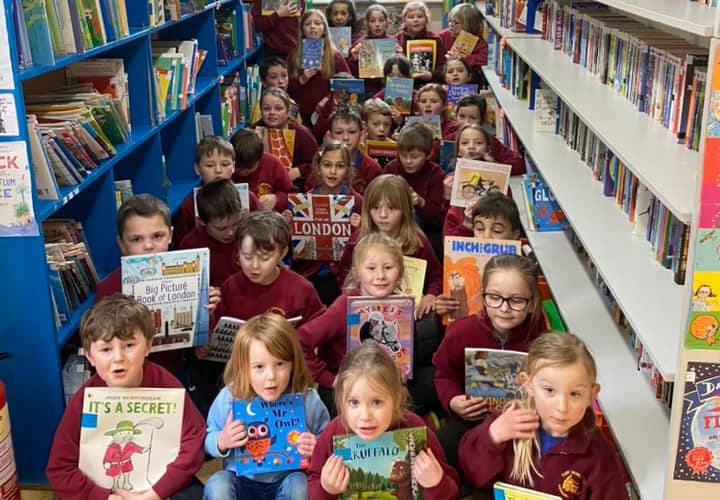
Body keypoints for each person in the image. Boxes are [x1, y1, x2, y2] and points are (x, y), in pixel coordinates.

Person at [46, 294, 205, 500]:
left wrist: (155, 494)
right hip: (105, 492)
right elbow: (59, 468)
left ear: (147, 346)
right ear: (89, 356)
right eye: (105, 349)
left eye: (129, 345)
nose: (118, 358)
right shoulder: (85, 400)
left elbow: (194, 440)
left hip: (159, 486)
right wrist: (104, 497)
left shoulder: (164, 383)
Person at [459, 332, 628, 498]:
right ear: (528, 384)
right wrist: (492, 437)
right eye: (549, 390)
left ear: (592, 394)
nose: (562, 407)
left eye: (575, 394)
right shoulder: (509, 421)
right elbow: (472, 476)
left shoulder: (600, 457)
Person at [433, 254, 548, 471]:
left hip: (521, 425)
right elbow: (444, 373)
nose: (504, 308)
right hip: (471, 422)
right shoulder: (462, 332)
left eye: (516, 300)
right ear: (482, 295)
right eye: (494, 297)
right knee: (441, 446)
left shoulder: (542, 340)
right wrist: (454, 401)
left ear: (532, 303)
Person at [307, 344, 460, 499]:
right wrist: (326, 488)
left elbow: (451, 487)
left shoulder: (414, 428)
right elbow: (314, 482)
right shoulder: (333, 433)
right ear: (341, 401)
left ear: (396, 398)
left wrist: (436, 483)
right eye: (354, 402)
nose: (365, 416)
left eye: (376, 402)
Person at [203, 314, 330, 499]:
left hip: (288, 479)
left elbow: (328, 441)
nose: (271, 376)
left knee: (300, 485)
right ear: (243, 367)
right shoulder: (229, 398)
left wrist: (316, 446)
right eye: (259, 367)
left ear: (293, 364)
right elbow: (207, 438)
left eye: (280, 364)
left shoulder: (307, 399)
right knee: (218, 484)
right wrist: (222, 441)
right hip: (240, 480)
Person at [335, 174, 442, 318]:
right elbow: (343, 274)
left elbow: (436, 276)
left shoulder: (417, 242)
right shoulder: (357, 240)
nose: (383, 215)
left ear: (405, 209)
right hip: (363, 314)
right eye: (376, 208)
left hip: (407, 316)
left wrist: (431, 295)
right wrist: (351, 295)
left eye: (391, 208)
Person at [284, 140, 362, 305]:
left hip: (342, 275)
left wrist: (359, 229)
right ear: (318, 168)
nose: (333, 171)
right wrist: (288, 225)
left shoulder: (357, 202)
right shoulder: (303, 201)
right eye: (327, 165)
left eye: (340, 166)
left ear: (348, 170)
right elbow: (292, 246)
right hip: (310, 272)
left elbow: (368, 243)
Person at [174, 136, 254, 246]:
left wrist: (247, 222)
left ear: (233, 166)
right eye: (210, 165)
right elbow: (182, 244)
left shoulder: (249, 197)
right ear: (197, 169)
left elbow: (261, 231)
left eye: (225, 164)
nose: (218, 170)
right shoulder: (189, 205)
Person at [287, 9, 351, 122]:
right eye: (307, 24)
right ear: (302, 29)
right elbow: (285, 86)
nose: (312, 27)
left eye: (317, 23)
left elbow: (348, 84)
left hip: (327, 112)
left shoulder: (334, 56)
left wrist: (328, 99)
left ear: (324, 29)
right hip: (300, 114)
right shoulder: (294, 55)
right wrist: (301, 79)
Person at [178, 179, 244, 287]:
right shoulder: (190, 246)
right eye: (221, 229)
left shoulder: (248, 234)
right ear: (201, 222)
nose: (231, 232)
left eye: (236, 224)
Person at [384, 122, 447, 231]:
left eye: (415, 156)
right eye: (403, 155)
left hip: (423, 229)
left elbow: (439, 219)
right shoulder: (391, 168)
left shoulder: (436, 175)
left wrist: (421, 202)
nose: (408, 161)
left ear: (429, 154)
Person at [253, 87, 319, 188]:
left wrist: (300, 170)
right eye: (266, 108)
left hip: (295, 185)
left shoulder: (302, 134)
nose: (272, 112)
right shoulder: (252, 131)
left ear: (288, 111)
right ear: (260, 111)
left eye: (278, 108)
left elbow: (318, 162)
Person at [442, 123, 500, 238]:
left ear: (488, 149)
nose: (471, 147)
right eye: (464, 143)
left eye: (478, 143)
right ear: (458, 150)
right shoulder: (449, 180)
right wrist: (446, 199)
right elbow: (445, 233)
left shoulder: (499, 179)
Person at [454, 94, 526, 175]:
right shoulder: (448, 138)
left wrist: (490, 167)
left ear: (482, 120)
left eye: (473, 118)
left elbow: (520, 164)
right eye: (462, 116)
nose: (466, 122)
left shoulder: (489, 140)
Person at [230, 128, 296, 212]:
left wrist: (276, 199)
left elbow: (292, 196)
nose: (242, 172)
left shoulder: (273, 164)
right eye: (237, 167)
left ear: (260, 159)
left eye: (248, 169)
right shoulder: (225, 167)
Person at [324, 109, 382, 194]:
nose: (346, 137)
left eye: (352, 132)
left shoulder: (372, 168)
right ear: (330, 136)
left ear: (362, 135)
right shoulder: (321, 166)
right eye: (339, 132)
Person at [347, 4, 395, 96]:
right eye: (372, 21)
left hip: (390, 89)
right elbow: (351, 76)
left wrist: (401, 56)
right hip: (367, 91)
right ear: (367, 24)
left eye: (381, 20)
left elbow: (403, 74)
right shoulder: (359, 44)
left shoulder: (394, 42)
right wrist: (354, 59)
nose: (377, 25)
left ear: (387, 22)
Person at [393, 2, 445, 84]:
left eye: (420, 16)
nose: (415, 20)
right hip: (403, 84)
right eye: (411, 17)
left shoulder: (435, 39)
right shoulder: (396, 40)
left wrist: (432, 75)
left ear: (426, 19)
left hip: (429, 84)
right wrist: (399, 56)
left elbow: (442, 65)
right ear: (404, 20)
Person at [439, 3, 488, 70]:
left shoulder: (478, 41)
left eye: (456, 23)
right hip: (447, 72)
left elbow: (484, 59)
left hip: (469, 75)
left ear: (470, 25)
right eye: (450, 21)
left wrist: (464, 58)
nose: (451, 24)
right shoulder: (444, 35)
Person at [259, 57, 302, 124]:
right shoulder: (260, 108)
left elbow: (298, 127)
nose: (281, 81)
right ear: (263, 82)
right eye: (274, 77)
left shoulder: (292, 103)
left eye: (284, 75)